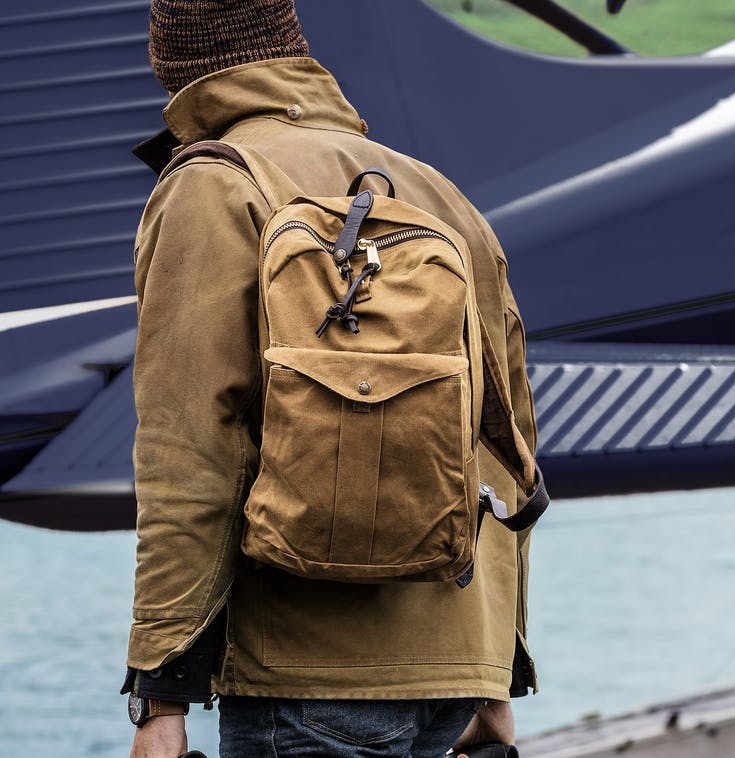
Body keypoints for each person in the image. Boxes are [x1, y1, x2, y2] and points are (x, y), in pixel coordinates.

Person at [123, 1, 540, 756]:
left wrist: (162, 689)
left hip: (308, 672)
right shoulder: (432, 188)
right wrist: (495, 674)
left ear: (175, 68)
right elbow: (505, 442)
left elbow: (189, 450)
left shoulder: (214, 185)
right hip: (452, 677)